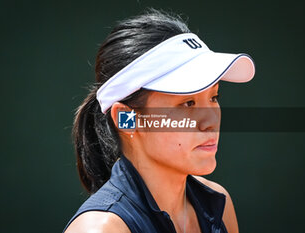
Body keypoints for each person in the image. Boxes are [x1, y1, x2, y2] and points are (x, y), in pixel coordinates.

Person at [63, 8, 255, 233]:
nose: (210, 121)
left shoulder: (219, 204)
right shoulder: (101, 229)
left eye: (214, 97)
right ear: (126, 119)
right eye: (188, 103)